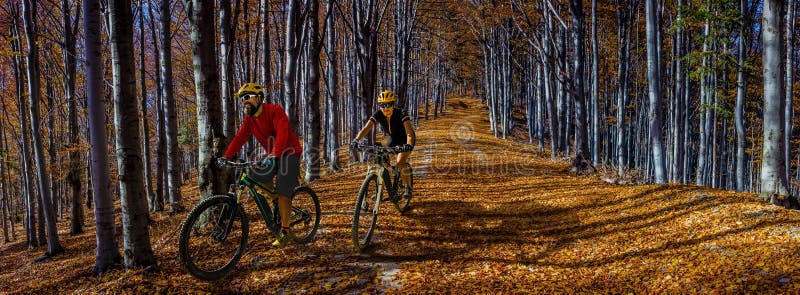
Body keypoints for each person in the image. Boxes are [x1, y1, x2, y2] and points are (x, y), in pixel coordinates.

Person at [218, 82, 302, 248]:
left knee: (284, 190)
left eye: (248, 97)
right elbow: (240, 138)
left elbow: (283, 133)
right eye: (242, 99)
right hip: (271, 156)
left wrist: (275, 154)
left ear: (259, 97)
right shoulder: (249, 120)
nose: (244, 102)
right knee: (253, 178)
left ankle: (286, 231)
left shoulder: (275, 110)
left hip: (289, 153)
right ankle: (275, 200)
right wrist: (227, 155)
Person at [352, 90, 416, 197]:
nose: (385, 107)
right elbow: (366, 128)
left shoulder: (401, 113)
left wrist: (408, 145)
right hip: (393, 139)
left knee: (400, 162)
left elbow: (409, 132)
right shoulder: (378, 114)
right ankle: (382, 188)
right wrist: (356, 140)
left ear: (393, 104)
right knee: (382, 158)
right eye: (382, 105)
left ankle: (407, 188)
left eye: (388, 104)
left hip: (405, 139)